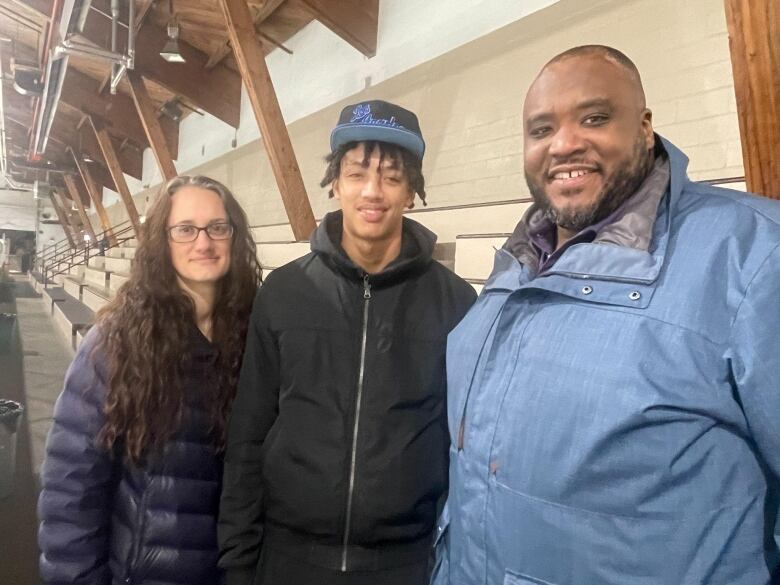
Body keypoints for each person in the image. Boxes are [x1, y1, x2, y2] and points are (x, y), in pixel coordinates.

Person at [434, 45, 780, 585]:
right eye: (541, 129)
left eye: (594, 118)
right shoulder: (516, 264)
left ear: (644, 127)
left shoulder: (754, 255)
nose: (565, 143)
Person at [218, 100, 476, 585]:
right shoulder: (285, 292)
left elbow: (462, 446)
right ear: (335, 183)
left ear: (413, 192)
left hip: (404, 564)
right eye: (358, 173)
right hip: (288, 560)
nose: (372, 191)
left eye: (393, 176)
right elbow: (248, 436)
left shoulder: (457, 304)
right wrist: (237, 560)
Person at [38, 176, 262, 585]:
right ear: (163, 240)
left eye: (217, 227)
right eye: (185, 229)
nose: (204, 242)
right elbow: (72, 487)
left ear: (234, 236)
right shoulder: (117, 342)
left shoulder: (258, 338)